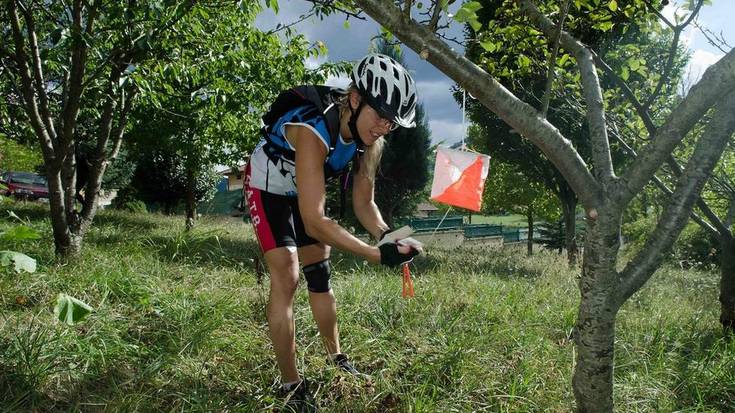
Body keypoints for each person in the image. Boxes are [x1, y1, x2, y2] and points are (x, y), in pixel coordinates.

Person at [243, 53, 421, 410]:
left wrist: (387, 236)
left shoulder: (370, 141)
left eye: (392, 123)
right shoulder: (313, 129)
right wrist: (373, 254)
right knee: (288, 275)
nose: (384, 128)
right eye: (380, 116)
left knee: (320, 273)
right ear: (354, 99)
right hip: (268, 186)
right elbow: (314, 221)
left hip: (306, 189)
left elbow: (364, 205)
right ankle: (291, 387)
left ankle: (336, 357)